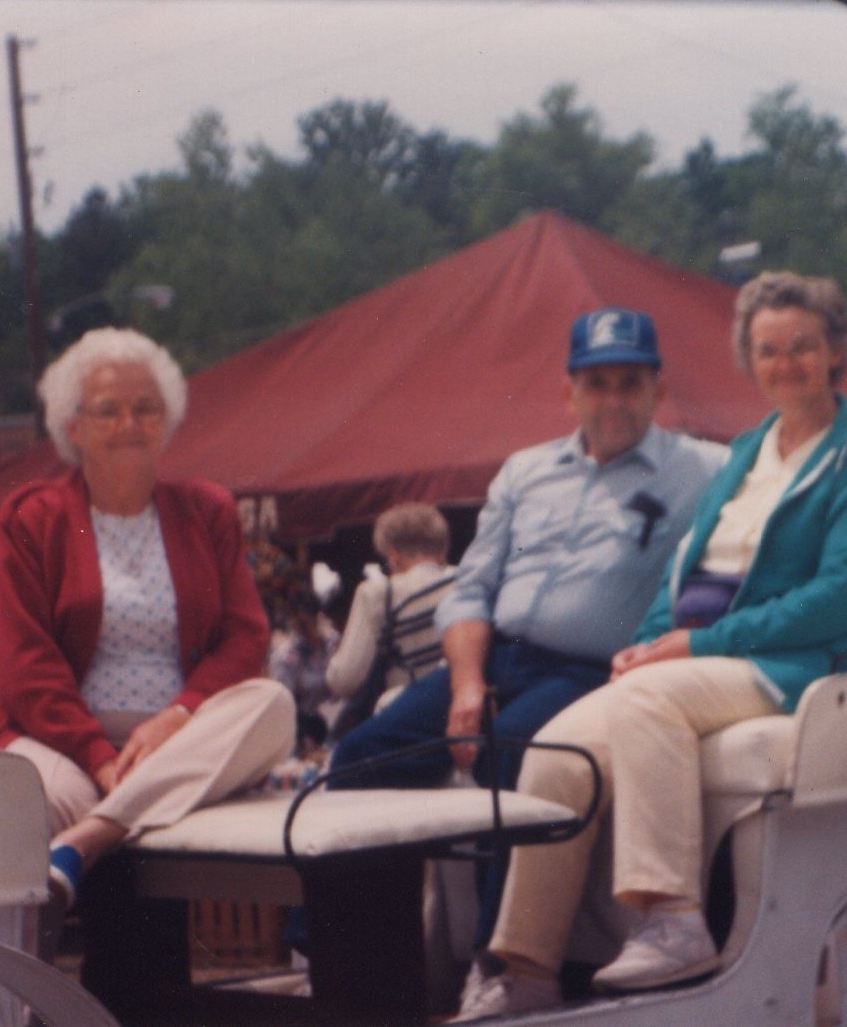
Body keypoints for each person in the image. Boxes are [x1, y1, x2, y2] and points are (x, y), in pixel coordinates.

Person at [452, 271, 847, 1020]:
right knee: (556, 749)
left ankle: (674, 919)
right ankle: (526, 967)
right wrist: (646, 642)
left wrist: (698, 644)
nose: (785, 363)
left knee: (649, 701)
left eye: (802, 345)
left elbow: (840, 597)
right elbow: (687, 567)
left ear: (836, 351)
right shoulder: (750, 450)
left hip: (797, 661)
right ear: (749, 360)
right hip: (707, 654)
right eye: (767, 350)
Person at [329, 307, 727, 952]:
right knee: (360, 755)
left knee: (510, 752)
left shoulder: (704, 469)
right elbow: (471, 588)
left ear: (658, 389)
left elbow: (777, 494)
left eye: (630, 382)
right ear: (569, 391)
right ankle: (346, 957)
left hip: (588, 670)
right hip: (492, 659)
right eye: (597, 383)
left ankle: (500, 966)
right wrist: (466, 684)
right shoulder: (525, 470)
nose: (614, 399)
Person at [0, 327, 294, 911]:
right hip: (61, 742)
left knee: (274, 704)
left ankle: (89, 840)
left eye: (146, 408)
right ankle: (10, 983)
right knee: (35, 803)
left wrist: (178, 715)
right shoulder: (32, 519)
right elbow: (25, 666)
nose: (129, 424)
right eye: (107, 410)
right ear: (72, 427)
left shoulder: (208, 511)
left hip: (180, 739)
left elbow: (246, 638)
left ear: (167, 420)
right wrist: (100, 759)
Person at [324, 502, 457, 723]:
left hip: (409, 720)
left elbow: (345, 680)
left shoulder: (378, 593)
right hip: (469, 712)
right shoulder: (468, 581)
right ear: (443, 548)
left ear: (394, 556)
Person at [268, 583, 341, 753]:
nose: (303, 630)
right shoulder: (285, 659)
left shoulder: (334, 641)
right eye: (296, 622)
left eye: (307, 622)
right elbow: (285, 710)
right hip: (308, 733)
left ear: (316, 616)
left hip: (340, 723)